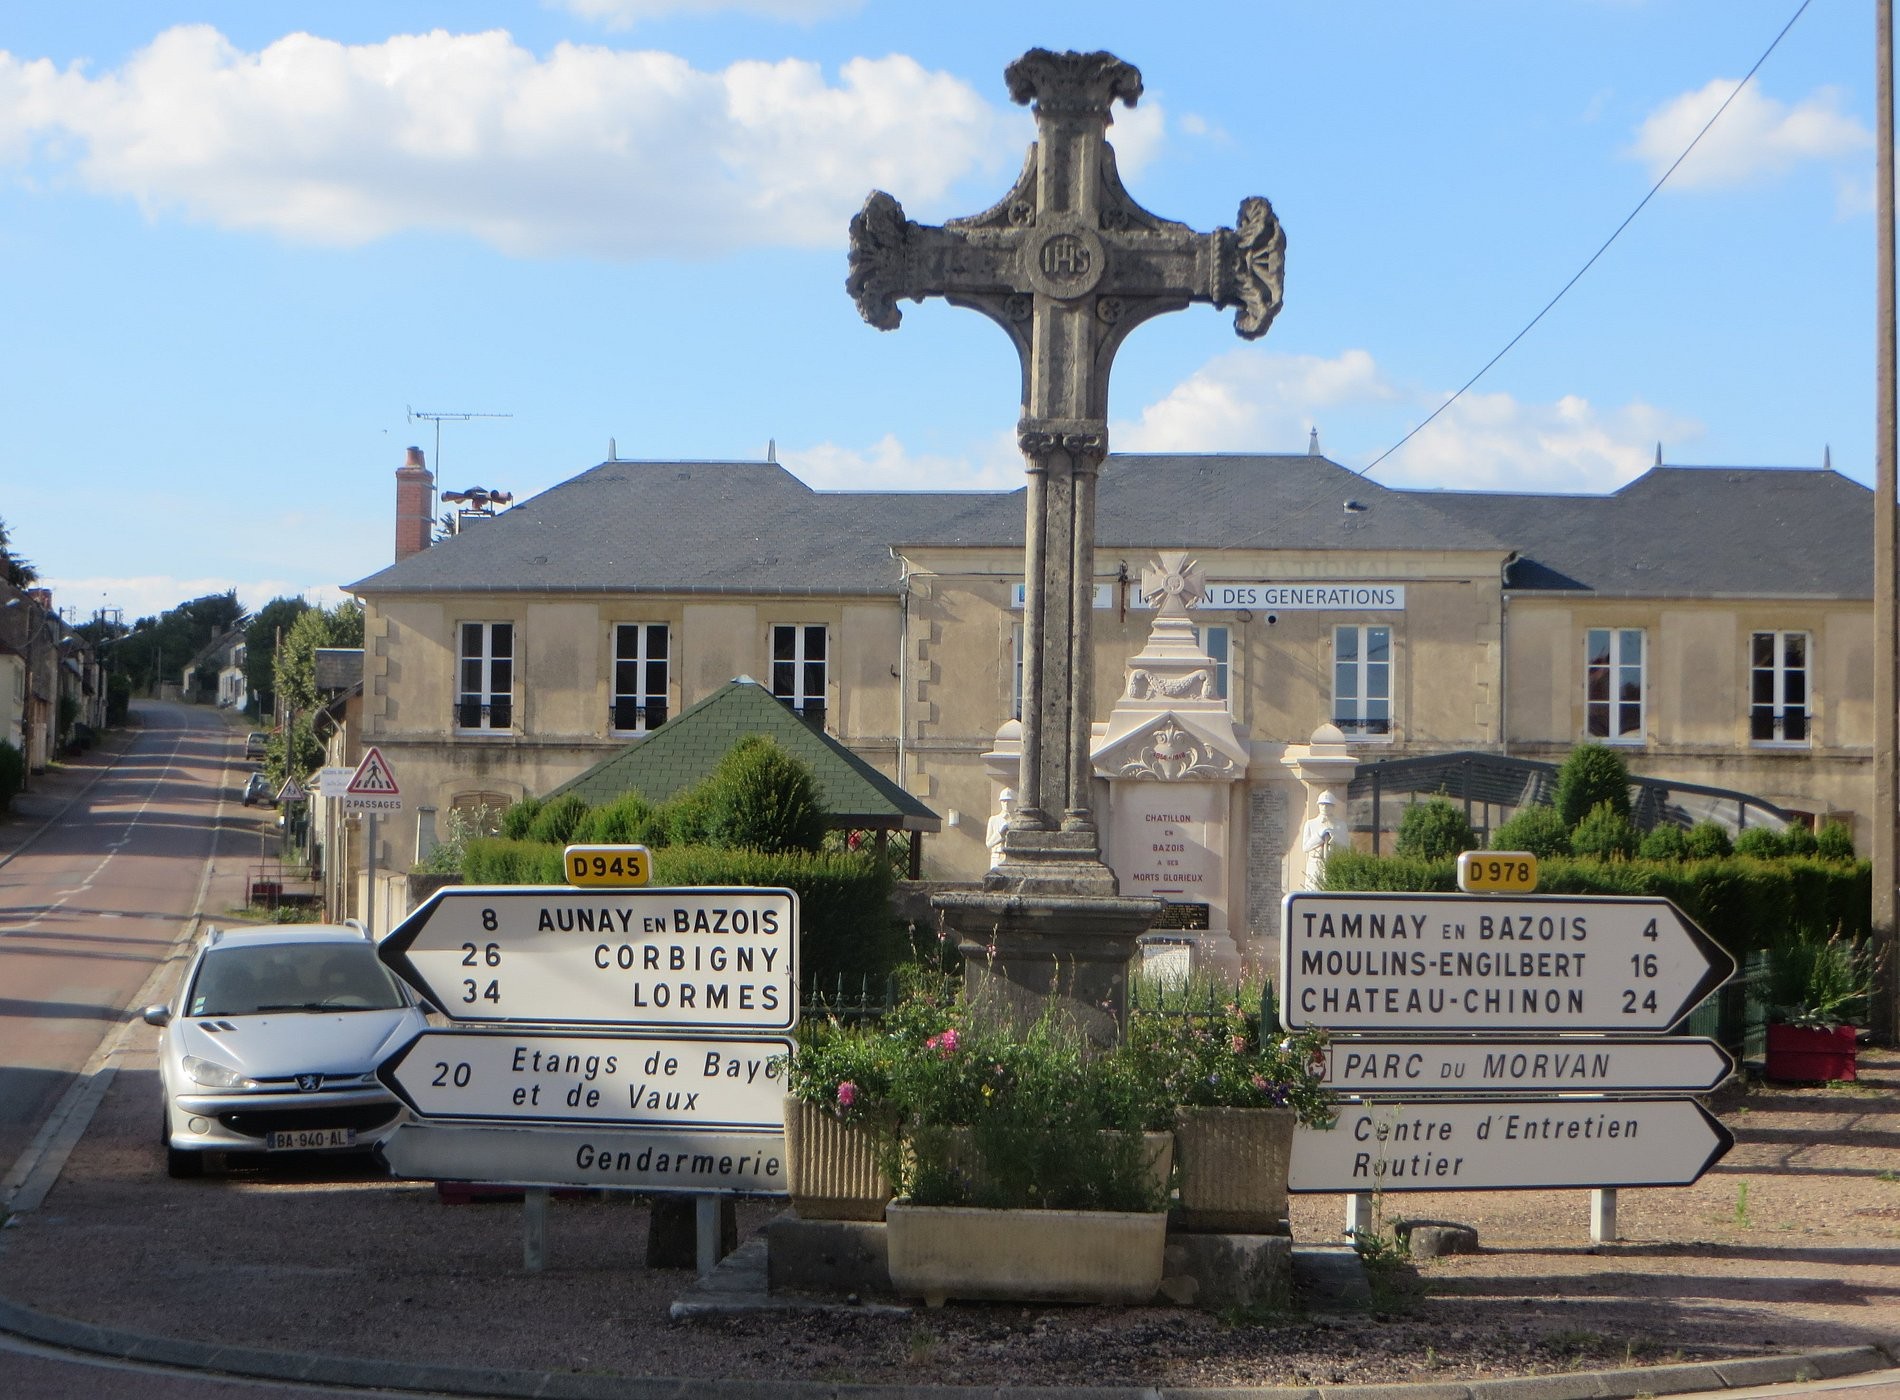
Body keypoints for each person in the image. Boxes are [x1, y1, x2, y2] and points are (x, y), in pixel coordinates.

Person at [1300, 789, 1346, 890]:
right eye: (1322, 804)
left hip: (1332, 862)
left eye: (1328, 805)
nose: (1324, 807)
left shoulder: (1340, 825)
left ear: (1333, 807)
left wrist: (1334, 837)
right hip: (1315, 863)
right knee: (1313, 890)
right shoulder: (1310, 824)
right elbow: (1306, 847)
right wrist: (1319, 836)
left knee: (1331, 891)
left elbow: (1346, 847)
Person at [985, 788, 1016, 864]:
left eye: (1009, 801)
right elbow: (989, 843)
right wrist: (1000, 833)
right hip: (997, 857)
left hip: (1013, 857)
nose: (1006, 804)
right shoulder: (993, 819)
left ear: (1014, 802)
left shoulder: (1017, 820)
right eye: (1004, 801)